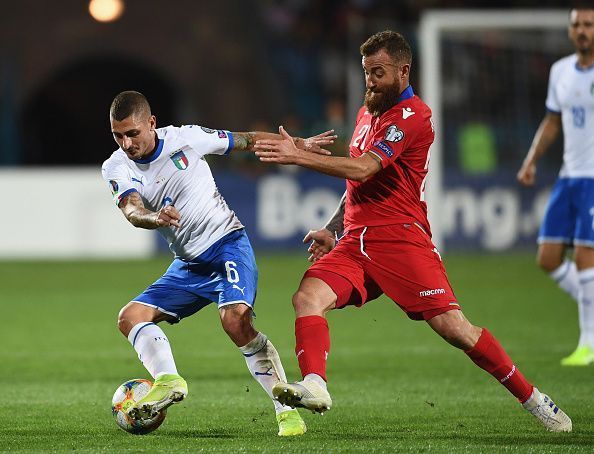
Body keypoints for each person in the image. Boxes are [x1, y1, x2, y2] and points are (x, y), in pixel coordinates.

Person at [254, 31, 572, 432]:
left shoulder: (413, 116)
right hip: (356, 241)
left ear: (403, 71)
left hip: (401, 240)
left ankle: (533, 399)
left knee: (456, 330)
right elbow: (357, 183)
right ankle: (316, 383)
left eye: (379, 73)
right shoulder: (367, 113)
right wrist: (334, 228)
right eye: (367, 72)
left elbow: (366, 168)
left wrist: (297, 156)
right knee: (307, 296)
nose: (370, 81)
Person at [101, 90, 335, 436]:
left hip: (227, 245)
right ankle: (167, 380)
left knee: (235, 321)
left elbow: (247, 140)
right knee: (130, 317)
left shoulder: (187, 139)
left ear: (151, 123)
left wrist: (296, 144)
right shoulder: (115, 166)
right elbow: (132, 209)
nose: (126, 142)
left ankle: (286, 413)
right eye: (118, 135)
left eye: (133, 133)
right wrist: (154, 218)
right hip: (188, 264)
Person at [517, 7, 594, 366]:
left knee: (584, 260)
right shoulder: (560, 71)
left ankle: (588, 343)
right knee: (547, 257)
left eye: (588, 25)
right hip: (568, 176)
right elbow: (552, 121)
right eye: (577, 24)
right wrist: (531, 159)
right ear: (569, 30)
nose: (582, 30)